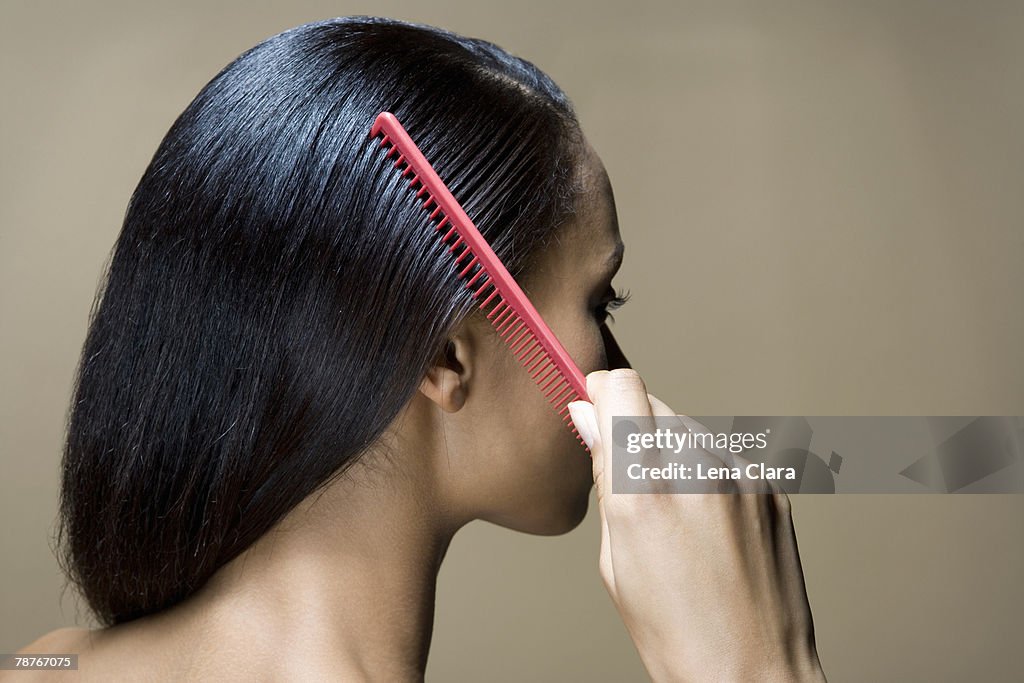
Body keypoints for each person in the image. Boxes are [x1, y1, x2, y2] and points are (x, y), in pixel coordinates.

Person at [15, 16, 825, 681]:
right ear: (446, 355)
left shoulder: (44, 663)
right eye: (596, 300)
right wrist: (753, 665)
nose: (618, 365)